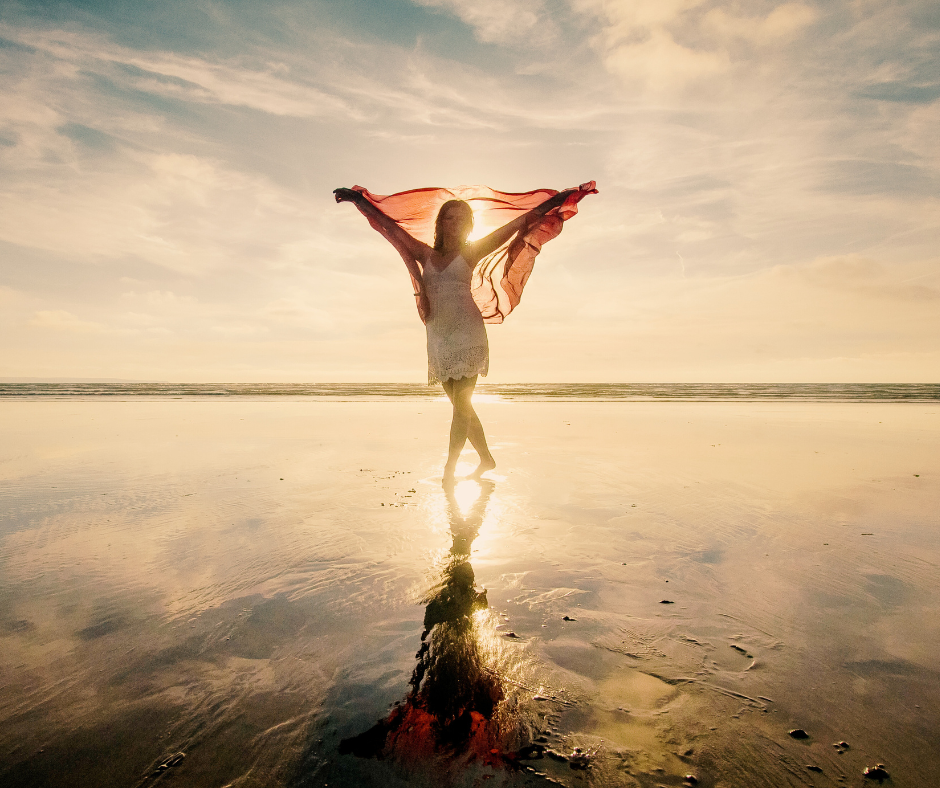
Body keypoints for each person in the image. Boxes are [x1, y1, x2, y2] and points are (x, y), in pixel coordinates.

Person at [334, 185, 585, 482]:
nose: (453, 224)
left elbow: (519, 223)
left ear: (468, 226)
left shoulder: (471, 252)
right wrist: (358, 200)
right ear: (440, 224)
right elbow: (389, 228)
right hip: (438, 335)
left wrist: (558, 200)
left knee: (462, 405)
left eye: (460, 220)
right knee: (460, 406)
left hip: (468, 331)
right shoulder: (422, 252)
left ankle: (449, 470)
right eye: (448, 219)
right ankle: (486, 459)